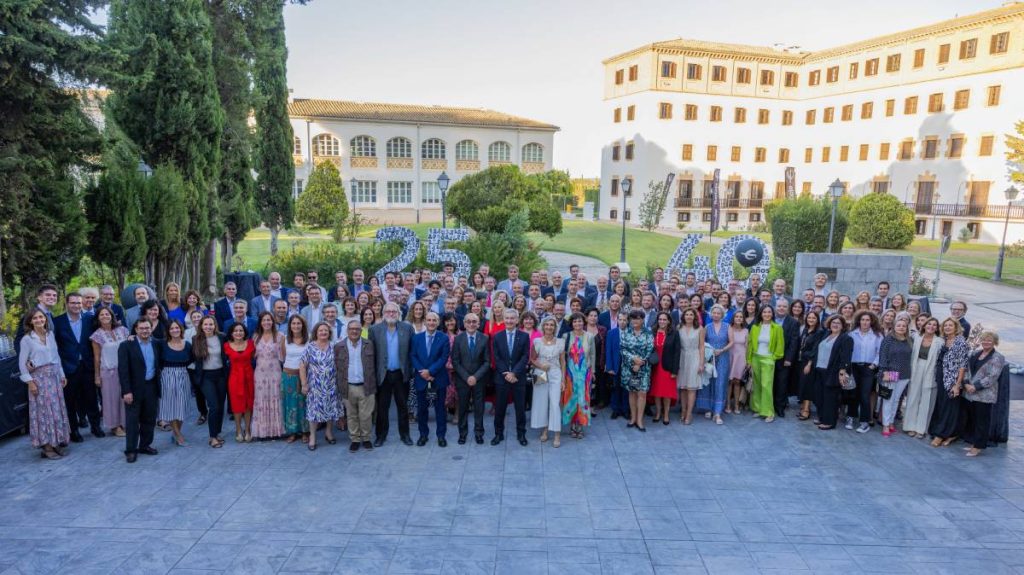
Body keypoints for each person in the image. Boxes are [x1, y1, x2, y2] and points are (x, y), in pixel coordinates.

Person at [19, 309, 71, 459]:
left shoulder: (50, 335)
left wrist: (62, 374)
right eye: (35, 318)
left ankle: (55, 443)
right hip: (39, 380)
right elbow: (22, 364)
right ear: (30, 321)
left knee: (56, 411)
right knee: (44, 413)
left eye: (41, 317)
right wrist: (30, 383)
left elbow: (56, 356)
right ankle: (47, 447)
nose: (39, 320)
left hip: (54, 378)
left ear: (45, 319)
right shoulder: (27, 339)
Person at [53, 292, 99, 441]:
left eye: (78, 303)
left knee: (91, 398)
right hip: (68, 367)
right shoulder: (57, 322)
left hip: (87, 365)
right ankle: (74, 431)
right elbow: (54, 345)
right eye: (73, 303)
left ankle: (96, 427)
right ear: (67, 304)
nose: (76, 305)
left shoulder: (89, 319)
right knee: (70, 401)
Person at [369, 302, 414, 447]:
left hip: (401, 374)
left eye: (394, 311)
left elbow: (412, 351)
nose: (391, 314)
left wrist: (411, 370)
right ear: (383, 314)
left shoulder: (407, 328)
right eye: (388, 311)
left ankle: (405, 435)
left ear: (399, 313)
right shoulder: (374, 330)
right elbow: (372, 354)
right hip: (383, 374)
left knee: (403, 407)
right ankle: (381, 436)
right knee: (382, 408)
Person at [118, 319, 162, 463]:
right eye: (141, 328)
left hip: (151, 386)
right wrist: (126, 391)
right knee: (132, 421)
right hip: (133, 389)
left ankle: (145, 445)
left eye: (147, 328)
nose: (145, 331)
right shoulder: (126, 345)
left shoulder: (156, 343)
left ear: (151, 329)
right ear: (136, 330)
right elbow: (123, 370)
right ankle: (131, 450)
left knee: (149, 419)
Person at [961, 331, 1006, 457]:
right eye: (984, 339)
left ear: (994, 342)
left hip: (984, 395)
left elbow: (993, 376)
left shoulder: (998, 357)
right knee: (973, 420)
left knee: (982, 422)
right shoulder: (974, 353)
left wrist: (975, 386)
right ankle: (974, 442)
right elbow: (966, 369)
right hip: (969, 393)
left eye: (989, 340)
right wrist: (966, 383)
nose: (986, 342)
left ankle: (978, 446)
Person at [335, 319, 376, 452]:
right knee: (351, 415)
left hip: (366, 385)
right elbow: (336, 367)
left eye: (357, 329)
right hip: (348, 386)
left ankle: (366, 438)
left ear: (361, 331)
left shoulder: (369, 344)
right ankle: (355, 439)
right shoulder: (339, 346)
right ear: (347, 330)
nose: (354, 331)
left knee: (366, 415)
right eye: (351, 329)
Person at [411, 312, 451, 446]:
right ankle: (423, 435)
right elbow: (413, 356)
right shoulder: (416, 338)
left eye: (434, 320)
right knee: (422, 409)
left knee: (440, 409)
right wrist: (422, 371)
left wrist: (430, 371)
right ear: (425, 321)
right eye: (429, 320)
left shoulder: (444, 338)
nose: (431, 323)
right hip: (421, 377)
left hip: (438, 377)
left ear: (438, 322)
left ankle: (441, 436)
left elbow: (444, 358)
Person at [928, 318, 969, 447]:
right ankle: (945, 432)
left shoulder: (961, 342)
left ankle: (941, 435)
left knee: (949, 407)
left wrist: (957, 385)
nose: (947, 327)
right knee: (941, 404)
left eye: (950, 325)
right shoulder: (943, 340)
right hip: (941, 376)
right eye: (945, 325)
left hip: (952, 379)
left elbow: (963, 365)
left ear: (956, 327)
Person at [492, 308, 530, 446]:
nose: (509, 321)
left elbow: (525, 357)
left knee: (520, 409)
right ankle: (498, 434)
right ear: (503, 319)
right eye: (507, 318)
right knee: (500, 408)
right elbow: (496, 357)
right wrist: (506, 373)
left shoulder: (524, 336)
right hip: (502, 378)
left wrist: (514, 373)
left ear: (517, 320)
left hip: (518, 377)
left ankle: (521, 434)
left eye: (512, 318)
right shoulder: (497, 336)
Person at [452, 312, 490, 445]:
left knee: (479, 408)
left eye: (474, 322)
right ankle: (462, 434)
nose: (471, 324)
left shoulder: (484, 338)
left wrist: (475, 377)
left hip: (479, 380)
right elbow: (455, 361)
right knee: (463, 407)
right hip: (463, 380)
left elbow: (487, 361)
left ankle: (479, 433)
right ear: (464, 324)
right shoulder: (458, 339)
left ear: (478, 324)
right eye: (468, 321)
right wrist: (467, 377)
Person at [90, 307, 129, 437]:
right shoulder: (97, 335)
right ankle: (115, 426)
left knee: (124, 398)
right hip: (108, 371)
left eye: (107, 314)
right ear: (98, 318)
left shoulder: (123, 330)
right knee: (111, 399)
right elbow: (96, 358)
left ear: (112, 316)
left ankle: (125, 423)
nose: (105, 316)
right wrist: (97, 376)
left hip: (124, 370)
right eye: (102, 314)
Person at [301, 322, 340, 450]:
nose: (323, 332)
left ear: (329, 333)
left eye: (325, 331)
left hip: (331, 384)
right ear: (316, 333)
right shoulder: (310, 347)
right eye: (320, 330)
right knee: (313, 411)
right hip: (314, 386)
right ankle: (312, 436)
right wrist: (304, 384)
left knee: (330, 409)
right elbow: (302, 365)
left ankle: (328, 432)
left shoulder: (334, 346)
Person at [813, 315, 853, 430]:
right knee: (820, 396)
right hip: (819, 369)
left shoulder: (846, 338)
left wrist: (842, 372)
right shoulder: (826, 335)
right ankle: (822, 417)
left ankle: (829, 421)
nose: (835, 325)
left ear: (843, 326)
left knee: (830, 398)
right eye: (833, 322)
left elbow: (846, 357)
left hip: (833, 371)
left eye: (838, 323)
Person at [903, 317, 941, 438]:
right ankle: (910, 426)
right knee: (913, 397)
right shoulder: (916, 338)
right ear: (924, 326)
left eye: (934, 325)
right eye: (929, 324)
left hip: (931, 370)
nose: (931, 326)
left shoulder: (940, 342)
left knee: (926, 400)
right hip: (916, 368)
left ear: (937, 328)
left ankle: (921, 429)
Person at [193, 316, 227, 448]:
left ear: (215, 325)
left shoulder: (222, 337)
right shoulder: (196, 339)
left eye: (211, 324)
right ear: (201, 326)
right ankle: (212, 437)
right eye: (205, 324)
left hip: (221, 375)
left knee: (221, 406)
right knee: (214, 406)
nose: (208, 327)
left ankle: (217, 433)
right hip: (206, 376)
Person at [846, 310, 882, 433]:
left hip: (868, 368)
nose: (865, 322)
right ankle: (850, 417)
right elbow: (848, 350)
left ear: (871, 321)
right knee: (852, 392)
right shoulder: (852, 334)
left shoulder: (877, 335)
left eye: (867, 320)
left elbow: (880, 352)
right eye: (862, 320)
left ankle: (864, 422)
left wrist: (874, 365)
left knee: (865, 395)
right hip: (853, 367)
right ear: (859, 321)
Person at [251, 312, 285, 440]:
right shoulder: (256, 337)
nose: (266, 322)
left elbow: (284, 356)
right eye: (264, 320)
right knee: (261, 400)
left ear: (273, 321)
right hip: (260, 374)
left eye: (269, 320)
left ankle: (276, 431)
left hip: (275, 372)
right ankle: (262, 431)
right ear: (260, 322)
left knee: (275, 398)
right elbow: (252, 355)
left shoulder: (280, 336)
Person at [157, 320, 191, 446]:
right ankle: (178, 434)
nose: (175, 330)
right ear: (168, 331)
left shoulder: (187, 345)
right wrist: (132, 337)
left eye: (177, 328)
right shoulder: (162, 344)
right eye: (171, 328)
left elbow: (191, 359)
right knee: (171, 406)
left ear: (181, 329)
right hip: (167, 375)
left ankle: (176, 433)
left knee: (182, 406)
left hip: (183, 375)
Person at [561, 312, 595, 439]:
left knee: (583, 399)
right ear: (571, 323)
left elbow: (592, 355)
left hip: (584, 373)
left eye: (580, 321)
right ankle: (572, 426)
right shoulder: (566, 336)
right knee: (570, 399)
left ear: (583, 322)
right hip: (570, 373)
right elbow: (562, 356)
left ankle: (580, 425)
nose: (577, 323)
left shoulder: (589, 336)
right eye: (575, 321)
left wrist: (593, 371)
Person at [748, 305, 783, 423]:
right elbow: (750, 345)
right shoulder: (755, 327)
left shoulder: (777, 328)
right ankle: (758, 409)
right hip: (755, 358)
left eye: (769, 312)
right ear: (761, 314)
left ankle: (768, 412)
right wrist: (749, 360)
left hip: (768, 358)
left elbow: (780, 345)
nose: (767, 314)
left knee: (766, 385)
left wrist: (774, 357)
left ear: (772, 314)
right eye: (764, 312)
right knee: (757, 385)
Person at [878, 317, 913, 437]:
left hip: (905, 373)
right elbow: (882, 356)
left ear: (907, 328)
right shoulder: (889, 339)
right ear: (894, 327)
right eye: (899, 325)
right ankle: (885, 424)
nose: (901, 327)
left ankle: (891, 422)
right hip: (891, 372)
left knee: (897, 399)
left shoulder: (909, 340)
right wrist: (884, 371)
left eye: (904, 326)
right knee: (888, 399)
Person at [697, 304, 731, 425]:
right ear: (711, 314)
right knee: (708, 382)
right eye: (714, 313)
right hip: (710, 358)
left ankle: (717, 412)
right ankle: (708, 408)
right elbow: (702, 343)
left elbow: (732, 342)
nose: (716, 315)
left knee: (720, 383)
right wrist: (708, 353)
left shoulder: (727, 326)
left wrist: (722, 350)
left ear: (722, 315)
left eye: (718, 313)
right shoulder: (707, 327)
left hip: (723, 357)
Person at [621, 310, 654, 432]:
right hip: (629, 368)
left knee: (642, 393)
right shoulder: (625, 332)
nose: (635, 321)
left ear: (642, 320)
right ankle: (633, 418)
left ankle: (640, 420)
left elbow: (650, 349)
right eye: (633, 318)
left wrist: (640, 362)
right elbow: (623, 349)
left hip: (644, 369)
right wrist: (633, 360)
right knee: (632, 393)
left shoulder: (648, 333)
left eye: (638, 318)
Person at [224, 323, 256, 442]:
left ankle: (247, 429)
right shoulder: (226, 346)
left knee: (248, 404)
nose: (238, 333)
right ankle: (238, 429)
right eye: (236, 331)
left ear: (244, 332)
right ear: (231, 333)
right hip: (235, 378)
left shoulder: (251, 344)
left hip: (248, 377)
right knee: (236, 405)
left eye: (241, 330)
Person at [281, 314, 310, 444]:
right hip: (288, 376)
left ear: (303, 325)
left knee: (303, 404)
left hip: (303, 376)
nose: (296, 326)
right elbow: (283, 357)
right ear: (290, 325)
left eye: (299, 323)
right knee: (290, 405)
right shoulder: (285, 339)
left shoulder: (309, 339)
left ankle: (305, 431)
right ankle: (292, 432)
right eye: (293, 323)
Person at [648, 311, 679, 425]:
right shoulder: (652, 332)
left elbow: (677, 353)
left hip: (667, 367)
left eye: (664, 319)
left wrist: (675, 371)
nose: (662, 321)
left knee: (667, 393)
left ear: (669, 321)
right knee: (656, 392)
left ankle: (666, 414)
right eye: (660, 319)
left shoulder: (674, 333)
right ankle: (658, 412)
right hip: (655, 367)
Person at [676, 308, 705, 425]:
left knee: (691, 387)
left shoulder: (700, 328)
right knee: (683, 387)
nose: (688, 316)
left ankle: (689, 413)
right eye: (686, 314)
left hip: (694, 357)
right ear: (683, 316)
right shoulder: (679, 327)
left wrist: (701, 363)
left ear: (694, 317)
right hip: (681, 358)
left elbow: (701, 346)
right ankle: (683, 410)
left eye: (691, 315)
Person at [796, 310, 825, 421]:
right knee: (803, 384)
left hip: (810, 362)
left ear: (817, 320)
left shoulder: (819, 332)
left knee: (808, 385)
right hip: (801, 361)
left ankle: (806, 410)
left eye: (813, 318)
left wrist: (809, 364)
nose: (811, 320)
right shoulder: (805, 330)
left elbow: (815, 349)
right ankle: (803, 406)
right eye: (809, 318)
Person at [726, 311, 749, 414]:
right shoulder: (728, 329)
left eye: (741, 317)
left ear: (743, 319)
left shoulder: (746, 331)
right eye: (737, 317)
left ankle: (736, 405)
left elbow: (747, 347)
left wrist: (748, 361)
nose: (739, 318)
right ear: (733, 318)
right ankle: (727, 404)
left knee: (737, 382)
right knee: (729, 382)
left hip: (741, 358)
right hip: (730, 356)